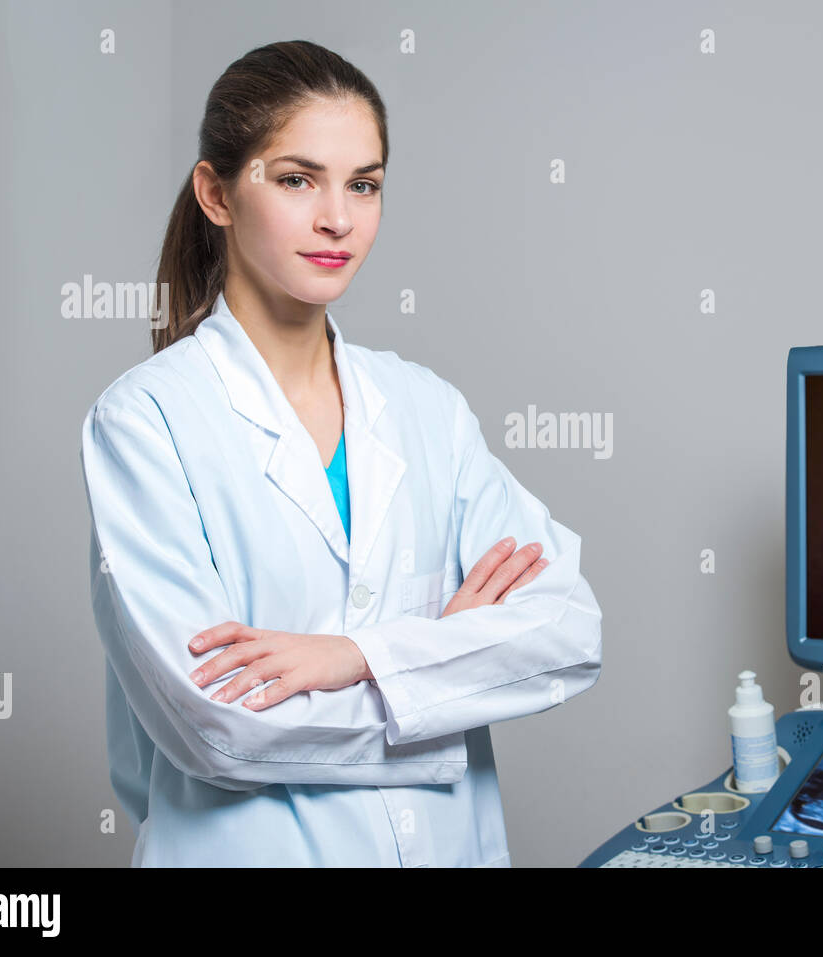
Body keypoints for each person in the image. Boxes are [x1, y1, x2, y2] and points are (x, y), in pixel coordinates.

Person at [78, 40, 602, 867]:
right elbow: (221, 728)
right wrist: (443, 671)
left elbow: (568, 628)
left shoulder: (427, 408)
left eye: (364, 184)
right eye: (297, 179)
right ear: (216, 193)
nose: (338, 218)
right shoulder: (146, 422)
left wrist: (359, 656)